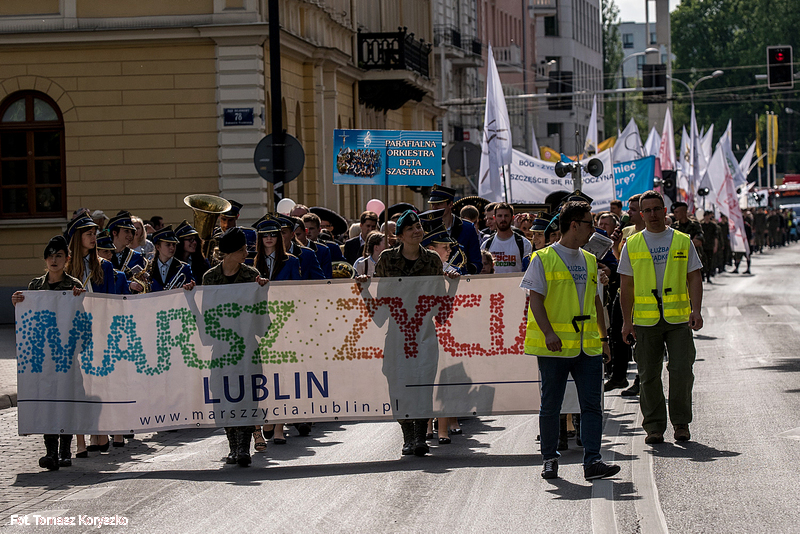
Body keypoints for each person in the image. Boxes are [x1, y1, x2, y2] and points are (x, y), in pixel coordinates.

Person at [520, 199, 619, 481]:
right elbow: (535, 300)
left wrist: (603, 338)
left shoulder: (589, 259)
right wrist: (549, 333)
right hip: (555, 347)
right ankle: (550, 458)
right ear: (574, 225)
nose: (593, 230)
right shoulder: (543, 258)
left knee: (592, 405)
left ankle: (593, 461)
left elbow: (596, 302)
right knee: (552, 405)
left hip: (587, 346)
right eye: (589, 224)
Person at [366, 210, 460, 457]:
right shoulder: (387, 259)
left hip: (424, 335)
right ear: (399, 236)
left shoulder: (432, 260)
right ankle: (407, 437)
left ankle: (420, 437)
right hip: (397, 336)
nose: (417, 231)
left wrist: (453, 286)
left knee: (422, 386)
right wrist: (364, 291)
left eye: (418, 226)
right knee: (398, 387)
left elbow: (441, 312)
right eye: (411, 228)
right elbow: (380, 314)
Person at [619, 190, 704, 445]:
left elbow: (694, 277)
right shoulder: (632, 244)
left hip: (678, 319)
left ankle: (681, 423)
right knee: (648, 374)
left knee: (681, 371)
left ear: (664, 211)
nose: (653, 214)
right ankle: (654, 426)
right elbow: (627, 285)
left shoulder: (682, 240)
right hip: (645, 321)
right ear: (641, 214)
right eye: (647, 210)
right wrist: (626, 321)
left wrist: (696, 310)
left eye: (657, 209)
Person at [11, 236, 85, 471]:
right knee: (48, 400)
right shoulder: (35, 287)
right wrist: (17, 302)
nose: (54, 260)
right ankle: (50, 452)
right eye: (50, 256)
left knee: (66, 400)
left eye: (59, 256)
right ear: (45, 259)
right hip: (43, 356)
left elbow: (82, 318)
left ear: (67, 259)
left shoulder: (73, 285)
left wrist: (79, 299)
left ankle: (65, 451)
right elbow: (28, 314)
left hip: (66, 355)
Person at [201, 227, 269, 466]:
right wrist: (190, 296)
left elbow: (261, 315)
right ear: (229, 253)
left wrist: (262, 291)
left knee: (247, 395)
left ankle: (243, 448)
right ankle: (232, 446)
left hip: (247, 346)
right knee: (223, 396)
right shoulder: (210, 278)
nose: (246, 254)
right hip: (222, 347)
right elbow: (207, 314)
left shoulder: (251, 275)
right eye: (241, 250)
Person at [63, 215, 125, 453]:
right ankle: (88, 433)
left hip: (100, 332)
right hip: (76, 333)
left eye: (94, 234)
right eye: (88, 234)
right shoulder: (67, 267)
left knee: (100, 382)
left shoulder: (104, 266)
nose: (93, 237)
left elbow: (111, 300)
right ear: (77, 237)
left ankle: (101, 430)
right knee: (82, 385)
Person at [427, 185, 482, 274]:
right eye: (433, 204)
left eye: (439, 204)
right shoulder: (427, 227)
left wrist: (460, 270)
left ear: (450, 204)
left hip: (460, 279)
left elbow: (476, 263)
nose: (434, 208)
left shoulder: (468, 228)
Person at [481, 202, 532, 273]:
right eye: (500, 216)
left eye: (506, 216)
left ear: (512, 218)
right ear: (494, 218)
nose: (503, 219)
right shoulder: (486, 245)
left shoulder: (524, 244)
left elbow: (529, 271)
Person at [147, 226, 196, 292]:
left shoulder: (184, 268)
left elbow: (192, 289)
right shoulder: (148, 268)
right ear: (158, 247)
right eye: (168, 244)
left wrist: (188, 287)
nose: (172, 248)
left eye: (174, 244)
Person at [107, 212, 146, 292]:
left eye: (132, 232)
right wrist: (128, 284)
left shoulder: (137, 257)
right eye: (126, 231)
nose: (131, 235)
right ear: (114, 232)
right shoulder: (103, 254)